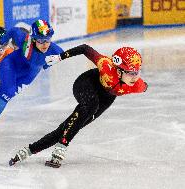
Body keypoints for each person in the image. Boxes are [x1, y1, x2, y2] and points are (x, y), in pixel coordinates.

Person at [10, 44, 148, 168]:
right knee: (90, 106)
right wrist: (60, 57)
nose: (135, 77)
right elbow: (85, 49)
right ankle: (63, 144)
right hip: (86, 84)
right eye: (131, 73)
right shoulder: (106, 65)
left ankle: (29, 150)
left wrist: (143, 85)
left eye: (137, 71)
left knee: (72, 125)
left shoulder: (137, 85)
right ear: (118, 71)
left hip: (106, 98)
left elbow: (144, 86)